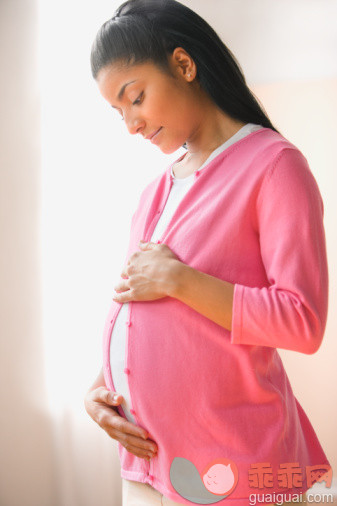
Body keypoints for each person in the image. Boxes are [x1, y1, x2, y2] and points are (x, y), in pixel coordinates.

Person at [84, 1, 332, 505]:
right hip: (148, 461)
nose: (131, 124)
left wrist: (180, 280)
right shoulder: (156, 190)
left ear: (183, 65)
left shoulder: (274, 165)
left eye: (135, 98)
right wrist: (99, 389)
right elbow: (140, 306)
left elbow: (302, 322)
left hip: (232, 466)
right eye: (118, 112)